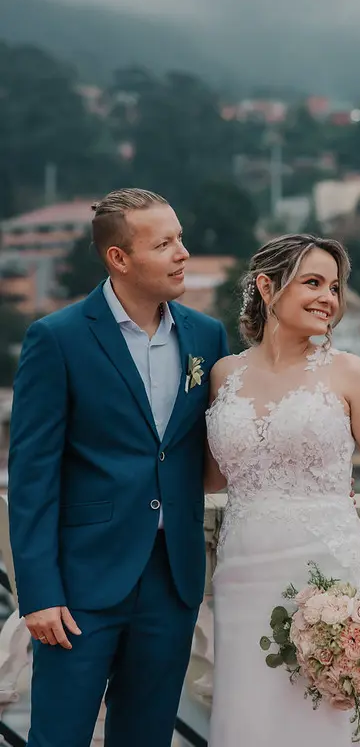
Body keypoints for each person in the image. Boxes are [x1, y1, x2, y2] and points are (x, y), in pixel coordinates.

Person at [8, 188, 229, 747]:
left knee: (147, 738)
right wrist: (36, 592)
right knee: (58, 738)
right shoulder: (56, 339)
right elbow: (32, 476)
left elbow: (216, 450)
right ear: (119, 259)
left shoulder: (206, 337)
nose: (183, 252)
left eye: (180, 238)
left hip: (171, 580)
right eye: (164, 243)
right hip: (80, 586)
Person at [205, 234, 360, 746]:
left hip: (328, 578)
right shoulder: (223, 375)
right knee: (249, 721)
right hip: (241, 580)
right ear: (267, 286)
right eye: (314, 282)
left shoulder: (349, 373)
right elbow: (210, 478)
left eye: (336, 287)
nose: (329, 298)